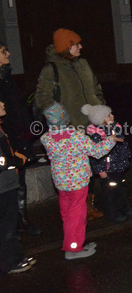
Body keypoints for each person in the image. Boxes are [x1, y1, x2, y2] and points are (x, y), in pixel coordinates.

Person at [34, 28, 105, 220]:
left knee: (89, 168)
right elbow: (42, 98)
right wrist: (60, 118)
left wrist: (101, 109)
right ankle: (76, 210)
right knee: (74, 172)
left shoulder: (83, 64)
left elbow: (96, 88)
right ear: (67, 47)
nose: (81, 47)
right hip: (69, 131)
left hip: (90, 125)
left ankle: (87, 205)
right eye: (76, 44)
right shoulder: (51, 70)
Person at [39, 102, 115, 258]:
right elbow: (97, 151)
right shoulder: (76, 137)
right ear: (66, 119)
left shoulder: (46, 138)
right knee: (77, 214)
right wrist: (111, 139)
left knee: (67, 213)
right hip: (78, 181)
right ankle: (73, 248)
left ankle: (74, 241)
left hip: (61, 182)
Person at [0, 43, 40, 236]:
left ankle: (20, 220)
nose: (8, 54)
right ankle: (15, 223)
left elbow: (17, 105)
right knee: (12, 180)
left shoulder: (6, 77)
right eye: (2, 52)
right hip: (7, 138)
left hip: (18, 136)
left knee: (19, 179)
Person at [81, 104, 132, 224]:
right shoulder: (95, 134)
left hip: (119, 166)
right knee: (110, 193)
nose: (112, 115)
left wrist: (113, 127)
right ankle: (113, 214)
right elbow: (95, 155)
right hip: (107, 169)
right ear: (101, 119)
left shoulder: (114, 127)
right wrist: (101, 171)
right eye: (108, 115)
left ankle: (124, 209)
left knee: (121, 189)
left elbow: (121, 140)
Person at [0, 100, 34, 274]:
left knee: (10, 224)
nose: (3, 103)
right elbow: (1, 161)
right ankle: (9, 262)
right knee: (6, 226)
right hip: (2, 187)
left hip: (7, 184)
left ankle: (16, 256)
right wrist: (17, 161)